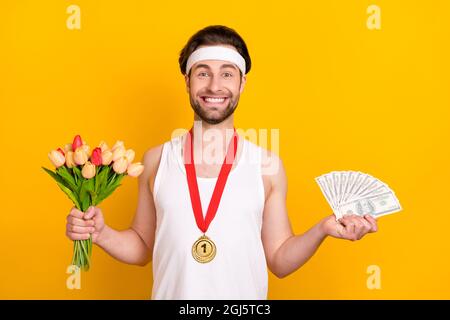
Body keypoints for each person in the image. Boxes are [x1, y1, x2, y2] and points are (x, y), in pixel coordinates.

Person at [66, 25, 378, 299]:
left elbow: (280, 260)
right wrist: (100, 232)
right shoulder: (156, 160)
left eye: (227, 73)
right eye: (203, 73)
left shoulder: (266, 165)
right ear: (188, 81)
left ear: (242, 83)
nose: (215, 86)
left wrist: (323, 229)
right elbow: (143, 247)